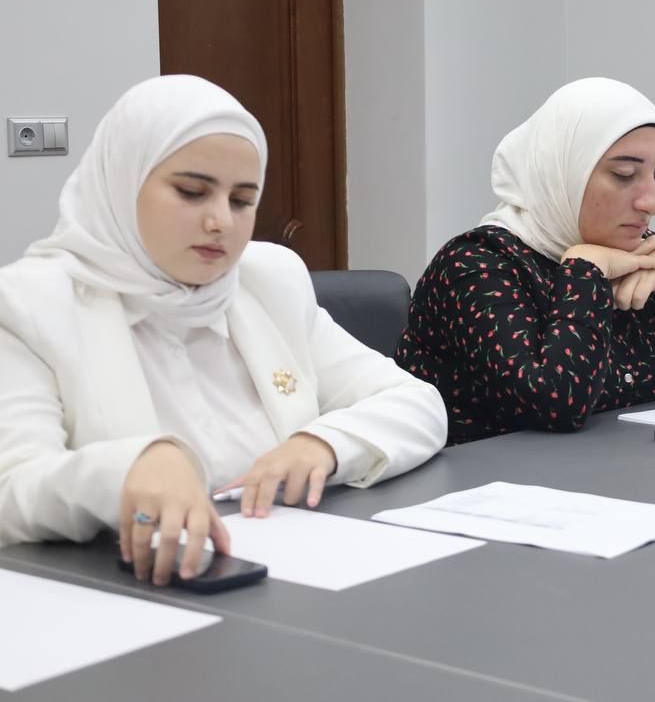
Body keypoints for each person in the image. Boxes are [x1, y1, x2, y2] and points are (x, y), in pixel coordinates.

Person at [0, 75, 448, 584]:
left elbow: (417, 402)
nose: (221, 222)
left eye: (241, 201)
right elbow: (11, 491)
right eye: (192, 192)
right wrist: (127, 470)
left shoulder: (267, 281)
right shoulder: (31, 302)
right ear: (123, 181)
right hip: (114, 595)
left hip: (292, 580)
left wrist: (323, 445)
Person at [396, 78, 655, 444]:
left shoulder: (637, 251)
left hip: (627, 466)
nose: (652, 202)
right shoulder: (476, 264)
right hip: (496, 475)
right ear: (562, 173)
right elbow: (553, 405)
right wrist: (585, 273)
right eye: (624, 175)